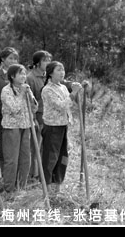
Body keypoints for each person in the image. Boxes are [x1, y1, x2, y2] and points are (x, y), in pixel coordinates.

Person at [41, 61, 82, 195]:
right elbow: (61, 105)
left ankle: (57, 184)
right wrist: (73, 92)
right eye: (58, 70)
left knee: (62, 156)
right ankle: (46, 187)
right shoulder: (47, 90)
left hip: (63, 126)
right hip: (52, 127)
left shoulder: (63, 87)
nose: (62, 72)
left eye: (63, 70)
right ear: (51, 73)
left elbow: (70, 104)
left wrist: (76, 92)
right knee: (50, 157)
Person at [0, 64, 38, 193]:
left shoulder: (26, 89)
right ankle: (9, 188)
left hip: (26, 125)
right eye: (20, 73)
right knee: (12, 159)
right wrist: (22, 93)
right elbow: (14, 108)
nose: (23, 76)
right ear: (12, 76)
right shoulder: (6, 90)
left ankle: (21, 187)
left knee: (25, 158)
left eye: (24, 73)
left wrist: (30, 96)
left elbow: (34, 107)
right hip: (12, 127)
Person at [0, 47, 19, 175]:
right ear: (3, 59)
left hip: (19, 115)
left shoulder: (20, 73)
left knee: (17, 146)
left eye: (15, 58)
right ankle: (5, 175)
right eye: (10, 58)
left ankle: (17, 175)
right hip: (2, 115)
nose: (13, 61)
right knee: (4, 147)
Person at [26, 50, 52, 181]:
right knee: (36, 147)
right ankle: (34, 175)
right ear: (37, 63)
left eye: (49, 60)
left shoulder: (49, 77)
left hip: (50, 117)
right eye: (45, 60)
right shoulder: (30, 78)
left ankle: (43, 175)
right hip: (38, 116)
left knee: (45, 147)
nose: (48, 63)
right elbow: (29, 101)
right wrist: (34, 118)